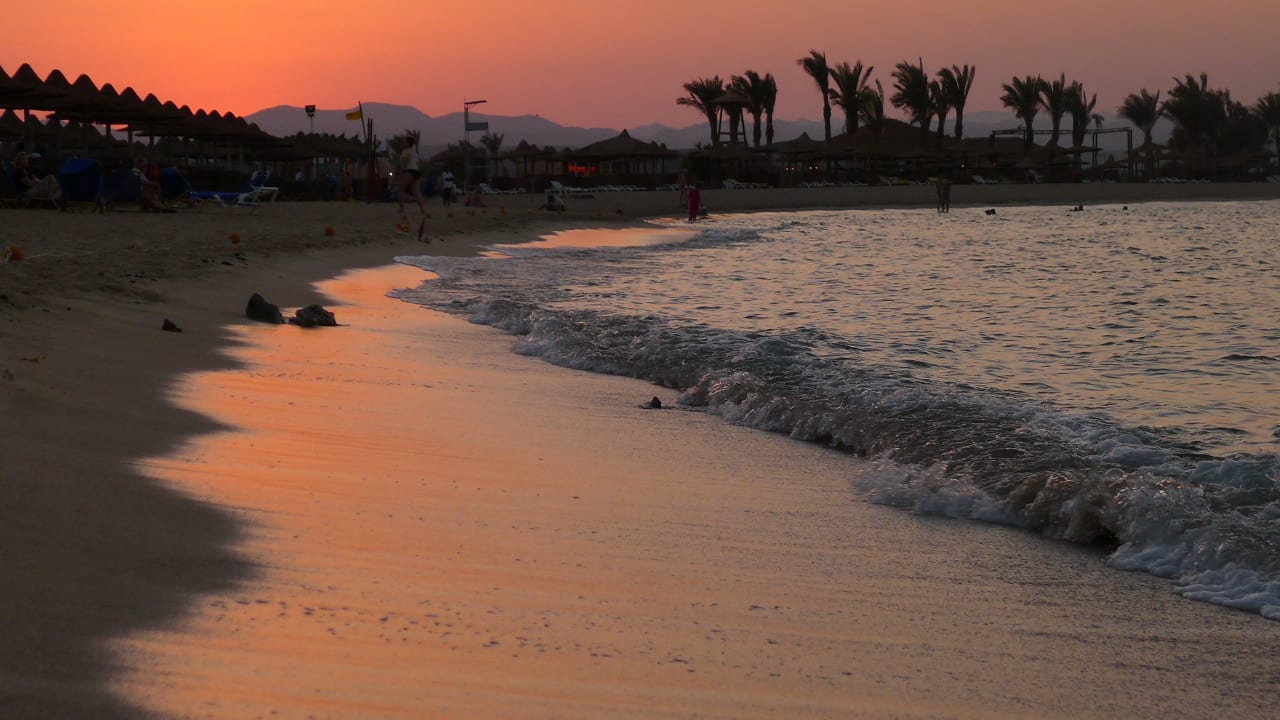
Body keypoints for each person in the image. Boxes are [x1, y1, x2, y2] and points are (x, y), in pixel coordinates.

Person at [397, 137, 425, 214]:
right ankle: (422, 209)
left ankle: (401, 209)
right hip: (416, 171)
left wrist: (400, 173)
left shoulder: (407, 151)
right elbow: (417, 161)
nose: (403, 142)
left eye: (404, 141)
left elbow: (405, 163)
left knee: (400, 189)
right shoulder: (414, 150)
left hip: (408, 171)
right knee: (416, 191)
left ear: (407, 142)